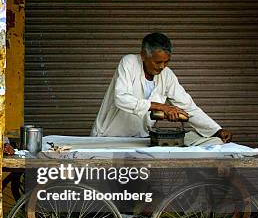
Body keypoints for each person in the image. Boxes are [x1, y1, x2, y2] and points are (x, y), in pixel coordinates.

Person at [91, 33, 232, 146]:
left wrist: (216, 130)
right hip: (108, 138)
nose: (162, 66)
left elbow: (188, 107)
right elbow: (121, 98)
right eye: (158, 62)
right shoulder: (129, 62)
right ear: (143, 56)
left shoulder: (167, 75)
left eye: (166, 61)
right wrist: (162, 107)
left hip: (141, 140)